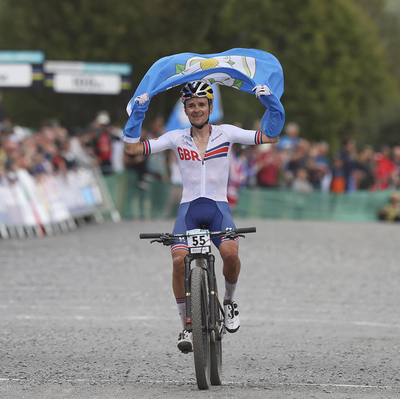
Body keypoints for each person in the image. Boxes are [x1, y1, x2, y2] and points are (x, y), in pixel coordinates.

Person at [124, 81, 283, 353]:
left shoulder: (227, 133)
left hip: (218, 208)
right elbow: (132, 149)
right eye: (191, 105)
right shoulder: (176, 137)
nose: (196, 109)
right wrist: (137, 113)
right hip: (188, 210)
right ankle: (186, 324)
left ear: (210, 107)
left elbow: (270, 137)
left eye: (201, 104)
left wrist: (272, 103)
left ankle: (229, 301)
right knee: (177, 261)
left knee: (231, 255)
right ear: (185, 110)